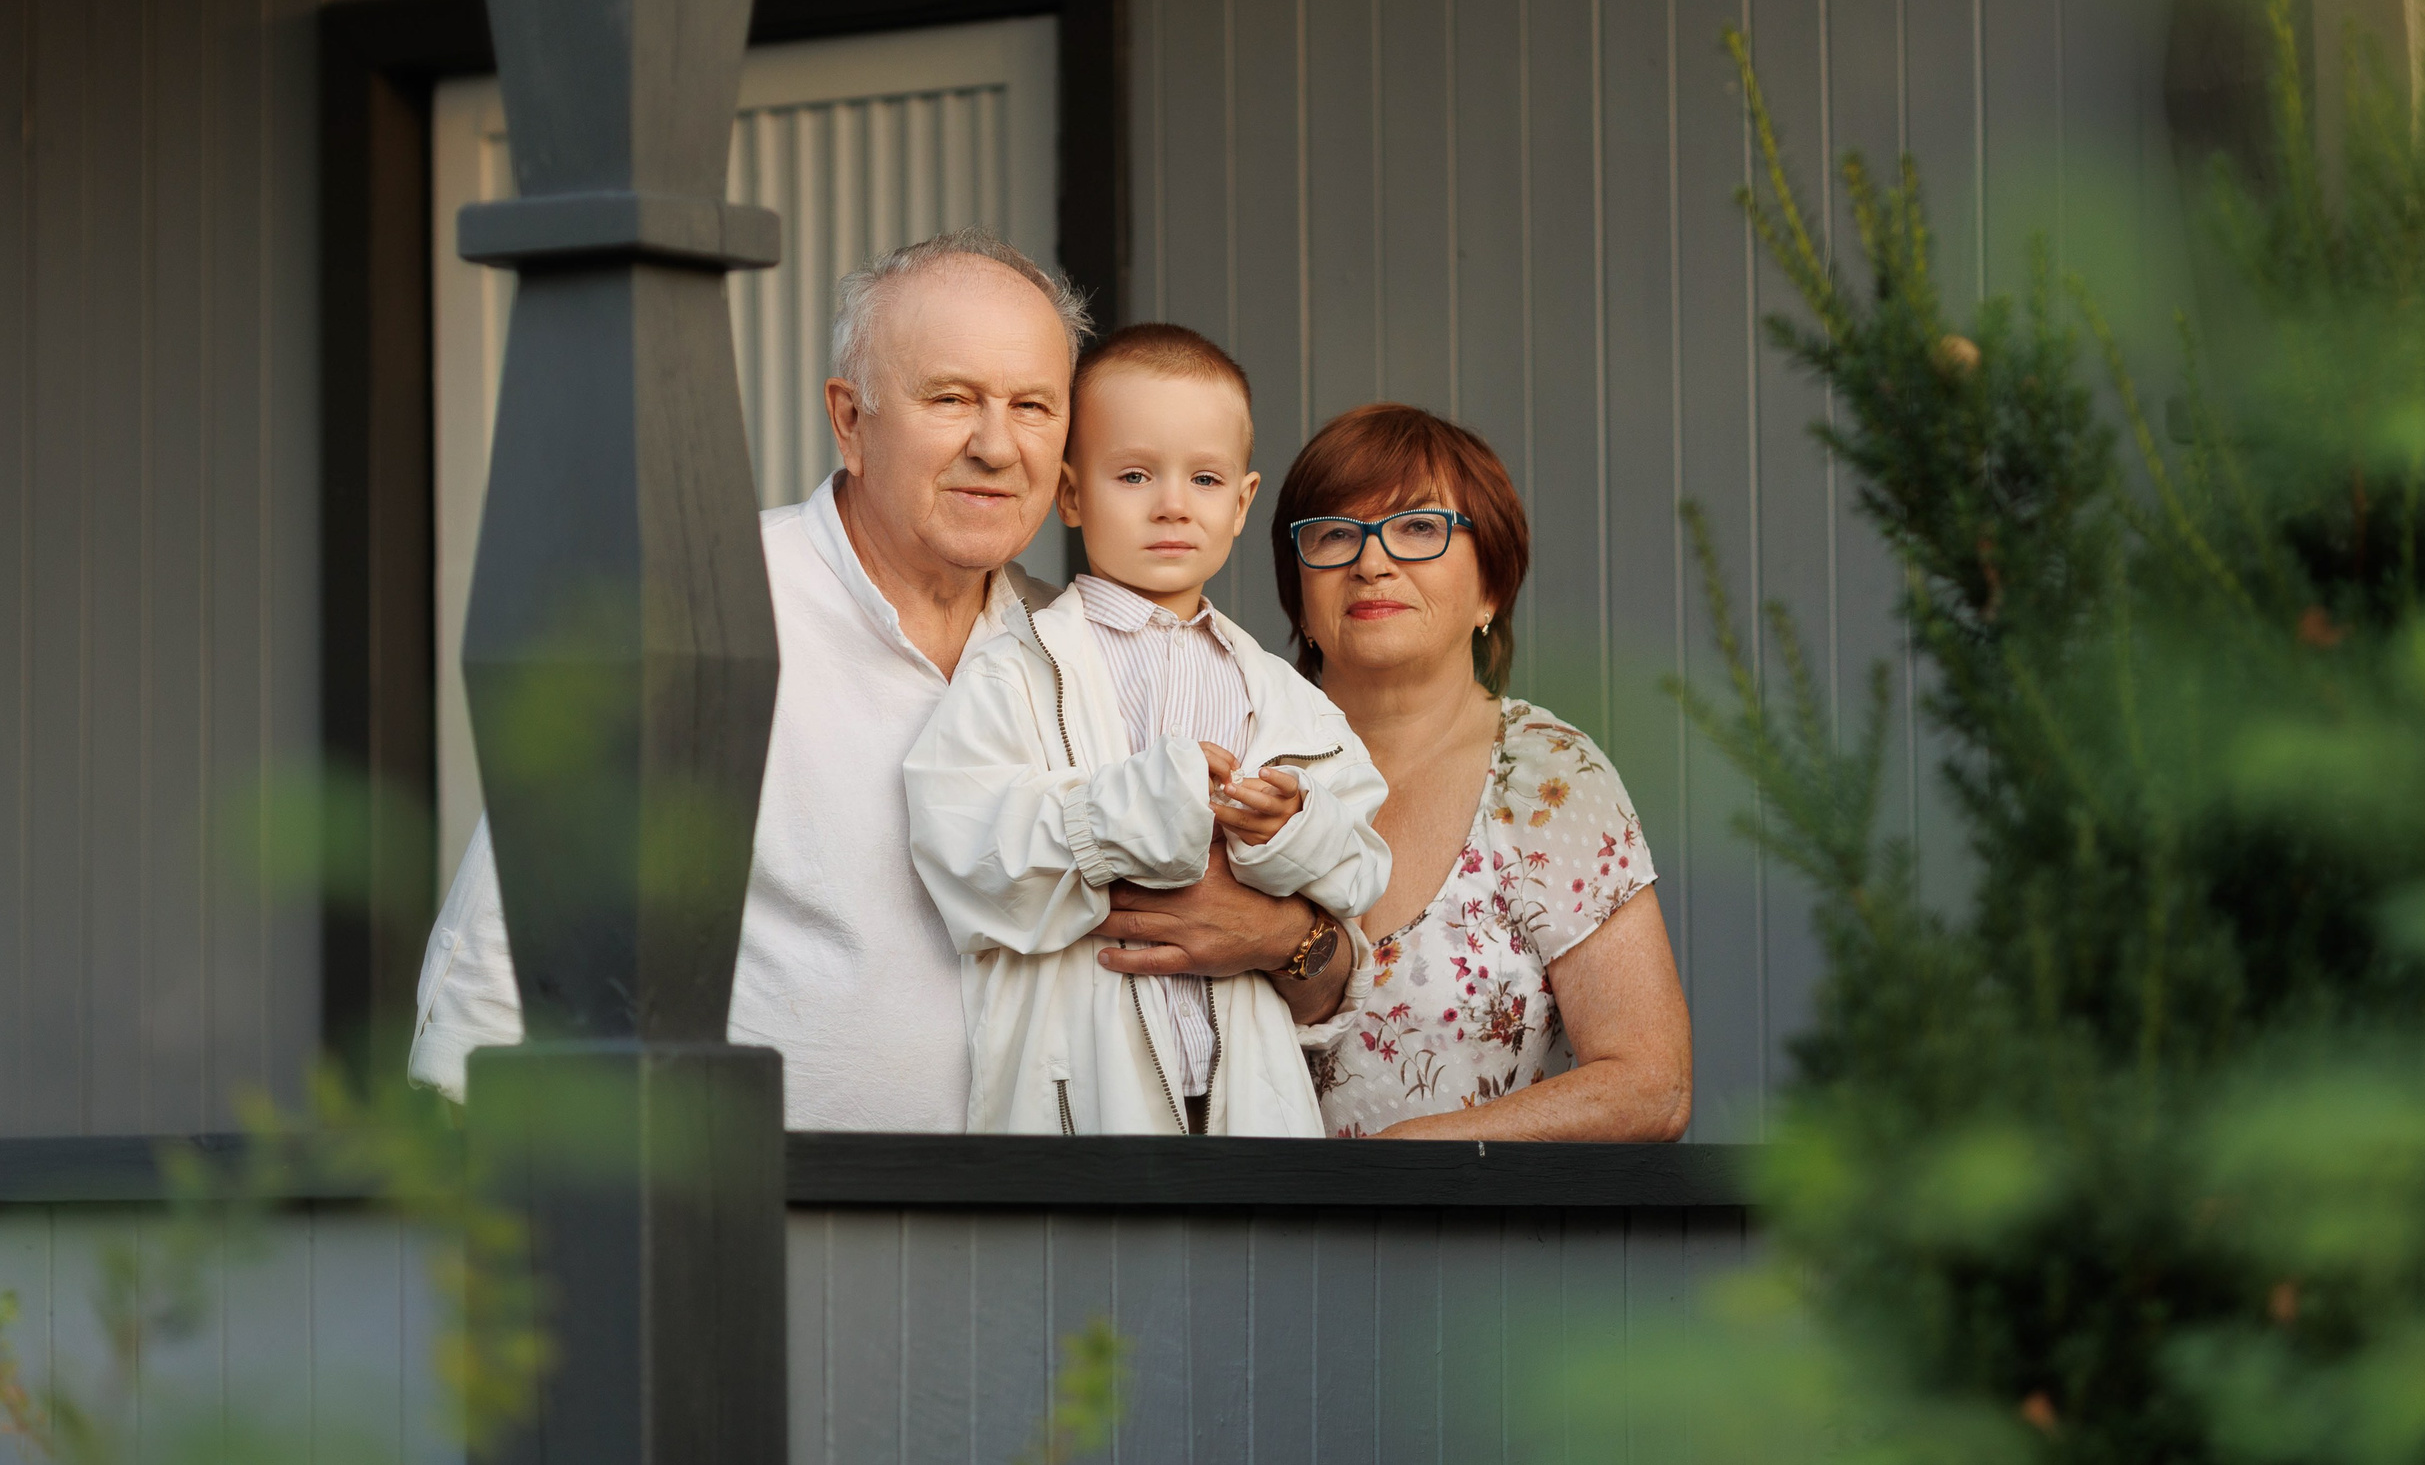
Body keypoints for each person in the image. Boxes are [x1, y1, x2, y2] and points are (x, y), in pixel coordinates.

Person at [407, 231, 1363, 1130]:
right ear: (849, 419)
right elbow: (506, 950)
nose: (997, 445)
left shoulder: (1079, 645)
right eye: (951, 399)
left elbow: (1294, 966)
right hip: (759, 1217)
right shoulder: (701, 609)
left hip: (1039, 1226)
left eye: (1032, 406)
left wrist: (1286, 939)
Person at [905, 326, 1390, 1134]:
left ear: (1241, 503)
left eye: (1204, 478)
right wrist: (1141, 807)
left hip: (1249, 1109)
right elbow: (967, 854)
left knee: (1248, 1264)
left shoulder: (1283, 696)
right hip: (1081, 1105)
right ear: (1070, 494)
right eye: (1133, 474)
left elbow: (1361, 866)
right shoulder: (1014, 671)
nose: (1171, 504)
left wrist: (1291, 831)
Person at [1275, 403, 1693, 1140]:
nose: (1372, 562)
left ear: (1491, 590)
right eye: (1336, 534)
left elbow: (1650, 1086)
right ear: (1300, 598)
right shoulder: (1237, 755)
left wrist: (1411, 1160)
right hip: (1224, 1246)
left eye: (1418, 528)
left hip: (1462, 1249)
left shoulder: (1547, 778)